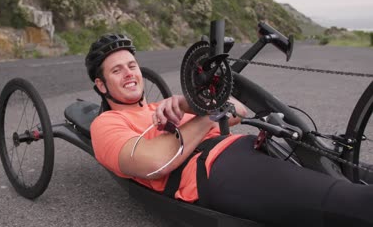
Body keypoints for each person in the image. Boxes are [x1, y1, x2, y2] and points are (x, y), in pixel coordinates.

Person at [85, 33, 373, 227]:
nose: (129, 74)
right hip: (214, 170)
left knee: (355, 173)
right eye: (116, 70)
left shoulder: (163, 106)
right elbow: (153, 163)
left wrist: (188, 103)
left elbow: (238, 109)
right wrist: (210, 117)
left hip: (247, 150)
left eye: (131, 65)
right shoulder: (106, 124)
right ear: (101, 85)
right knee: (347, 202)